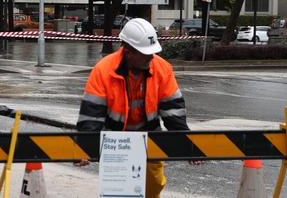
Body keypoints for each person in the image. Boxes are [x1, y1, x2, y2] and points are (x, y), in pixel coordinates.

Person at [76, 18, 200, 198]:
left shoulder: (162, 68)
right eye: (145, 53)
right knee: (118, 193)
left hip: (150, 137)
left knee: (153, 186)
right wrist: (85, 146)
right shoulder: (103, 70)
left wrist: (186, 143)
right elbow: (91, 114)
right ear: (127, 52)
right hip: (116, 142)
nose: (151, 57)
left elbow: (173, 110)